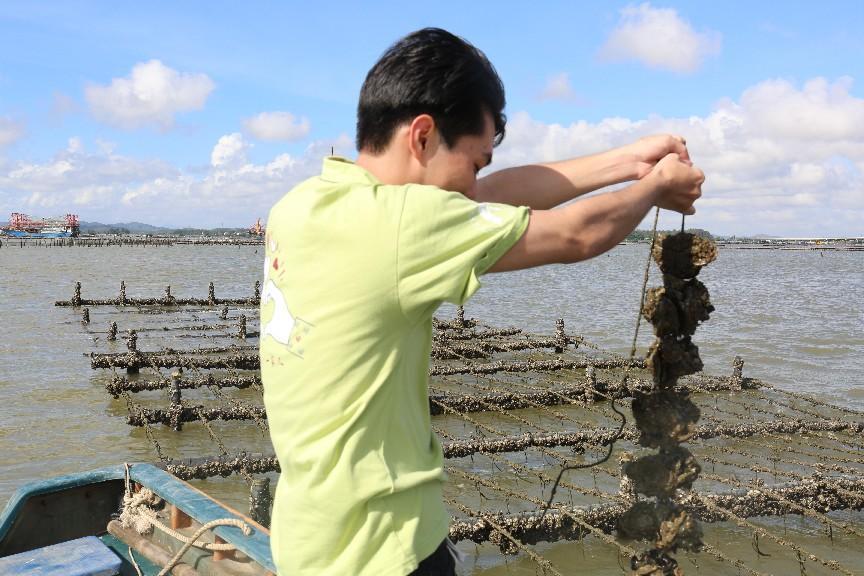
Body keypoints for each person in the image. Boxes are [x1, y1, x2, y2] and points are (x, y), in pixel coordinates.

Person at [260, 27, 703, 576]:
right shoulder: (404, 225)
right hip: (388, 549)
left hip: (309, 541)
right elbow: (575, 236)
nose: (475, 182)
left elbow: (489, 196)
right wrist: (655, 188)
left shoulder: (303, 205)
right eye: (475, 161)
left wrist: (627, 162)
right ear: (422, 136)